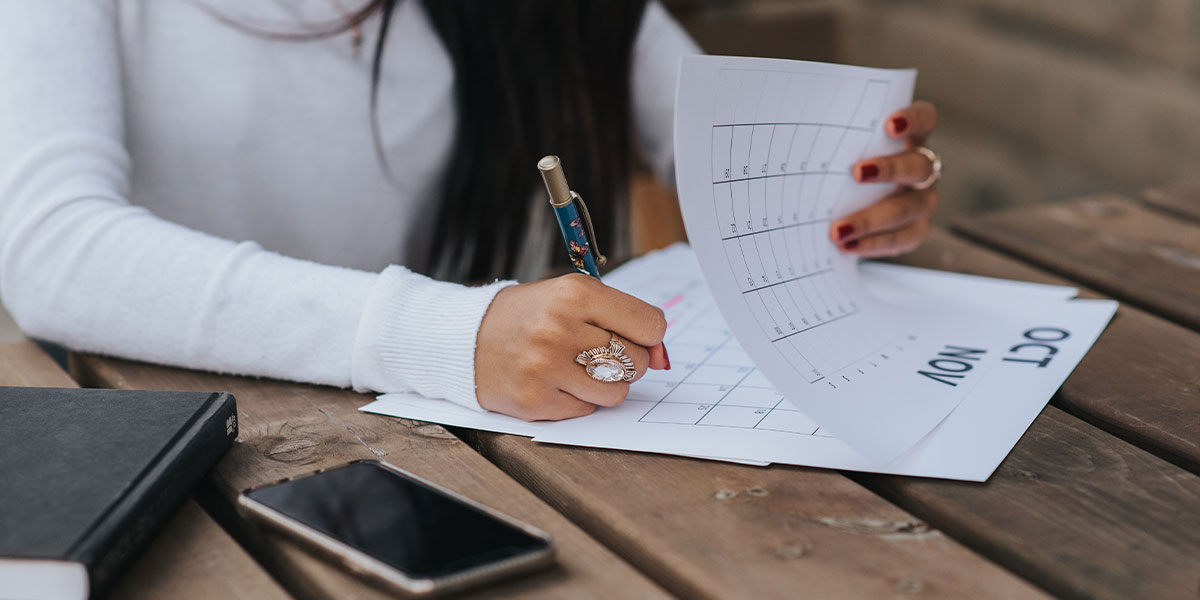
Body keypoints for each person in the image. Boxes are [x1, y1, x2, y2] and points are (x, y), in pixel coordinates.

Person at [0, 1, 939, 421]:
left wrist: (848, 192)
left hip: (482, 453)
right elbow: (51, 246)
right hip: (180, 462)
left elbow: (715, 155)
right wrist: (452, 332)